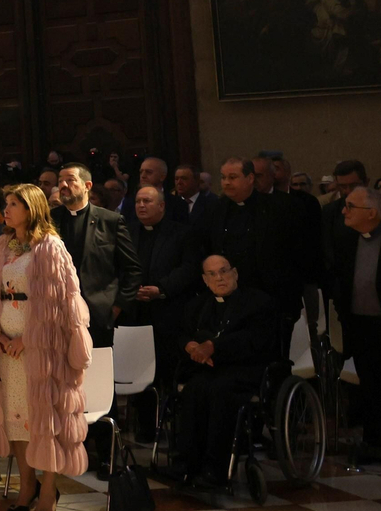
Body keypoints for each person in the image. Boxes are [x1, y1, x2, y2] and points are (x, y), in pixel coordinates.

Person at [0, 183, 92, 511]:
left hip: (40, 348)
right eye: (6, 203)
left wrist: (28, 338)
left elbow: (58, 302)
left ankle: (47, 489)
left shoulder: (50, 247)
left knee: (43, 418)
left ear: (32, 208)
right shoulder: (0, 246)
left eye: (13, 204)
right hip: (4, 348)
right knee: (15, 420)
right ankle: (25, 485)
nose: (6, 209)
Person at [167, 254, 281, 490]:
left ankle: (214, 469)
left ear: (235, 273)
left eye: (224, 271)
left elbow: (254, 340)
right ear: (204, 280)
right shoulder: (197, 306)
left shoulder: (259, 302)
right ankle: (186, 463)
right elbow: (182, 334)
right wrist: (191, 347)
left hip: (246, 369)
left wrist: (214, 348)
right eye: (212, 274)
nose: (219, 278)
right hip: (210, 371)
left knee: (219, 392)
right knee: (193, 390)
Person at [118, 185, 198, 440]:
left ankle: (176, 429)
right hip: (134, 314)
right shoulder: (126, 232)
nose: (141, 205)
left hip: (169, 315)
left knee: (167, 373)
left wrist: (161, 289)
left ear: (162, 206)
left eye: (148, 201)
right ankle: (145, 429)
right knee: (140, 372)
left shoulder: (182, 234)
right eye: (138, 201)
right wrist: (131, 290)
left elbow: (188, 268)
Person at [200, 157, 304, 336]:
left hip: (270, 294)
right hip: (231, 297)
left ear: (250, 179)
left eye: (233, 177)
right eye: (223, 177)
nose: (226, 182)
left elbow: (294, 253)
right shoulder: (216, 209)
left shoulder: (278, 208)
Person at [51, 164, 141, 349]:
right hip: (56, 312)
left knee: (98, 374)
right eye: (60, 181)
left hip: (98, 314)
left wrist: (115, 308)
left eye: (70, 180)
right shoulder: (50, 219)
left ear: (87, 186)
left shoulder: (110, 221)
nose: (63, 185)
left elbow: (133, 269)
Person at [330, 187, 381, 459]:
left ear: (372, 213)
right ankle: (374, 441)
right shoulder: (344, 238)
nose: (344, 211)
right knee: (369, 385)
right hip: (360, 325)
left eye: (350, 206)